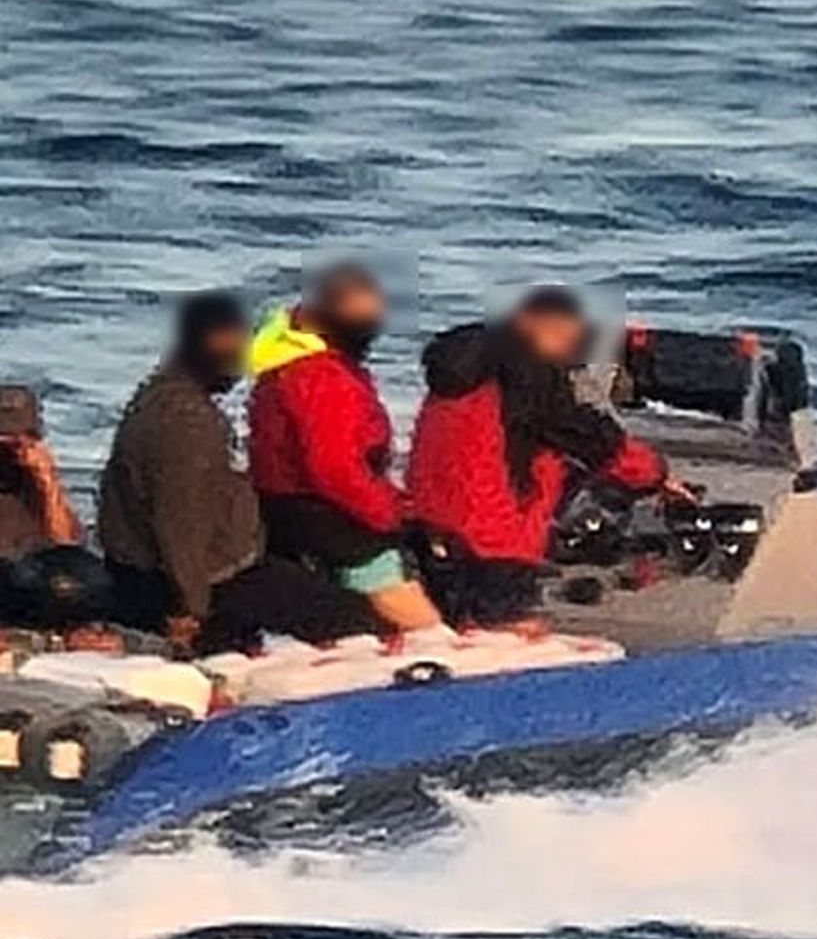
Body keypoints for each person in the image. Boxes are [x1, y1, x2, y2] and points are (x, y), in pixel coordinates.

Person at [98, 292, 380, 653]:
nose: (240, 362)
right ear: (209, 342)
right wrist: (192, 609)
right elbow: (180, 520)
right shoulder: (187, 419)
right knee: (354, 619)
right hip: (208, 579)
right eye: (233, 346)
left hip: (177, 568)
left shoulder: (157, 394)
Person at [407, 286, 670, 626]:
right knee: (507, 634)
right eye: (559, 334)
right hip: (495, 534)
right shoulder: (527, 373)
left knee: (454, 629)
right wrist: (656, 474)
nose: (565, 347)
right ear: (528, 323)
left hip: (433, 519)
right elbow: (590, 437)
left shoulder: (463, 368)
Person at [248, 264, 440, 634]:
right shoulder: (320, 375)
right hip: (321, 510)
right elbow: (335, 468)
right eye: (362, 315)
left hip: (288, 505)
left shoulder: (294, 362)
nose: (371, 325)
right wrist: (389, 515)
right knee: (411, 615)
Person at [0, 382, 112, 628]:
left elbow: (67, 544)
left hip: (34, 581)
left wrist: (47, 481)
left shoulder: (33, 481)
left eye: (18, 443)